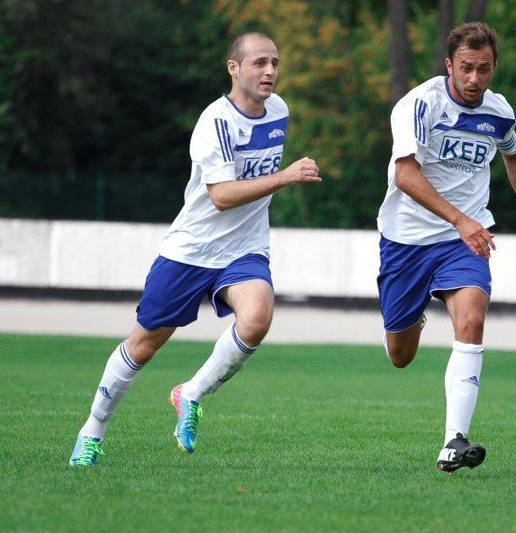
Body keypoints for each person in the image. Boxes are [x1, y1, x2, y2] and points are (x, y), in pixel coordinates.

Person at [69, 32, 322, 466]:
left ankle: (191, 393)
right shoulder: (214, 122)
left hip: (244, 248)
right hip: (192, 250)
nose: (270, 71)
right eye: (260, 63)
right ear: (233, 68)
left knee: (257, 318)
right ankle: (92, 431)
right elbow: (221, 196)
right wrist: (286, 176)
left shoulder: (278, 110)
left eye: (275, 63)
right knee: (144, 345)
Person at [376, 22, 516, 473]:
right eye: (467, 68)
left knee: (473, 319)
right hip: (407, 240)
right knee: (400, 355)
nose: (475, 79)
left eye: (485, 69)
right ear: (449, 65)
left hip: (465, 240)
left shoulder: (499, 111)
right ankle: (413, 316)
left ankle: (453, 441)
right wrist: (459, 219)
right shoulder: (419, 105)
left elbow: (515, 156)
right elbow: (405, 175)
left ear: (494, 68)